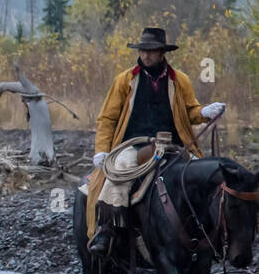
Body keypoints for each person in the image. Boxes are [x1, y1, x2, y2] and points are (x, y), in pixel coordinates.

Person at [86, 27, 224, 256]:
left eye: (151, 51)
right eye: (143, 50)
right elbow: (107, 118)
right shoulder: (124, 81)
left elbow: (191, 111)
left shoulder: (180, 80)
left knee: (204, 177)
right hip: (133, 145)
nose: (146, 55)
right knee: (118, 173)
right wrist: (101, 151)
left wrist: (205, 112)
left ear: (162, 53)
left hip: (175, 146)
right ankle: (106, 230)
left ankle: (212, 234)